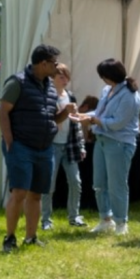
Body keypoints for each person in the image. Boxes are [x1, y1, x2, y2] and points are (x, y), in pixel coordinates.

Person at [0, 45, 75, 252]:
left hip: (44, 148)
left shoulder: (50, 87)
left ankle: (31, 237)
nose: (57, 67)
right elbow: (3, 112)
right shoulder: (17, 82)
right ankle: (10, 238)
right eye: (54, 63)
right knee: (19, 192)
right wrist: (9, 141)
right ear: (43, 63)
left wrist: (66, 112)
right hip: (20, 146)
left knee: (37, 194)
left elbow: (52, 118)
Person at [74, 59, 140, 235]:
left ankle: (121, 222)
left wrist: (94, 120)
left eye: (103, 76)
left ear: (110, 76)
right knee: (99, 183)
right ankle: (105, 219)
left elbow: (118, 123)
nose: (102, 79)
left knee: (116, 184)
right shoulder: (107, 90)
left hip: (120, 143)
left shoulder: (129, 95)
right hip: (102, 140)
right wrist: (84, 116)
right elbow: (100, 113)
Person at [40, 63, 88, 230]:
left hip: (69, 145)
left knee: (76, 182)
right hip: (52, 145)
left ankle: (74, 216)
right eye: (61, 76)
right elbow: (48, 120)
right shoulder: (47, 95)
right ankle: (46, 219)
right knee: (49, 185)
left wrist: (81, 146)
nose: (65, 80)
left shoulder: (70, 96)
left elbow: (76, 124)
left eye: (67, 76)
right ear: (52, 78)